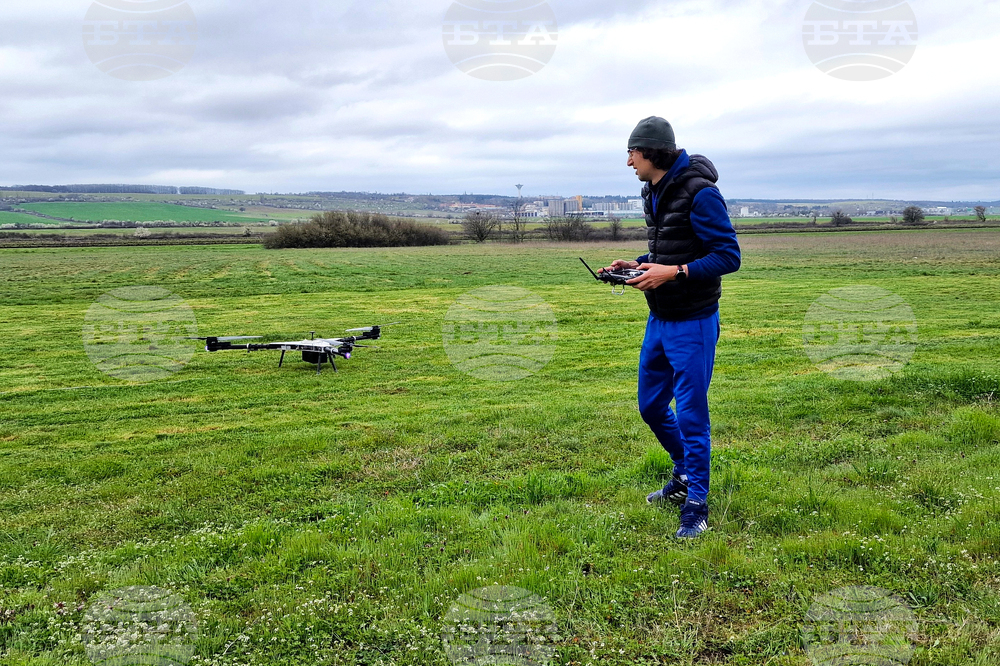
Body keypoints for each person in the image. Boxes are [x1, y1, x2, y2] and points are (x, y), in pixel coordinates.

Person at [601, 116, 741, 538]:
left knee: (693, 417)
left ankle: (697, 504)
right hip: (658, 318)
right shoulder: (653, 191)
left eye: (632, 152)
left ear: (652, 152)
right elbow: (670, 247)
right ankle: (684, 474)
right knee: (651, 407)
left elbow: (728, 256)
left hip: (693, 321)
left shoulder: (702, 194)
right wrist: (639, 264)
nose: (628, 162)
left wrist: (672, 272)